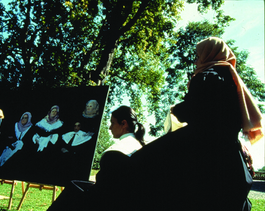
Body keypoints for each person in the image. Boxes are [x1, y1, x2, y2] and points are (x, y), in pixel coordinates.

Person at [125, 37, 263, 211]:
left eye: (198, 56)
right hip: (229, 155)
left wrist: (176, 110)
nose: (196, 60)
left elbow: (195, 111)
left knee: (140, 162)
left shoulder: (206, 77)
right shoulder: (230, 80)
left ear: (209, 54)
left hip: (200, 147)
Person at [47, 105, 145, 211]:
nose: (110, 127)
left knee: (71, 193)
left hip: (105, 204)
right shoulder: (139, 147)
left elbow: (104, 192)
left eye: (112, 123)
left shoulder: (117, 150)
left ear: (124, 124)